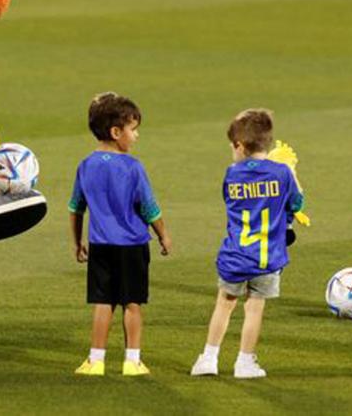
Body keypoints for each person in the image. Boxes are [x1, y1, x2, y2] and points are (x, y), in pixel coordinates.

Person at [190, 109, 307, 379]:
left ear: (240, 146)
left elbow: (231, 201)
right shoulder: (282, 174)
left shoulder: (232, 175)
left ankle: (208, 358)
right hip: (268, 256)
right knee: (254, 308)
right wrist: (292, 176)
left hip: (235, 254)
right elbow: (296, 203)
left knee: (225, 303)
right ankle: (244, 362)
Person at [70, 92, 172, 377]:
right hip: (133, 245)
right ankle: (132, 361)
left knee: (103, 303)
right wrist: (163, 235)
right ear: (116, 132)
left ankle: (96, 360)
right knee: (132, 303)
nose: (136, 136)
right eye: (133, 129)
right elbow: (149, 208)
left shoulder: (85, 165)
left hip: (100, 244)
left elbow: (76, 208)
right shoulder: (133, 167)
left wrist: (77, 242)